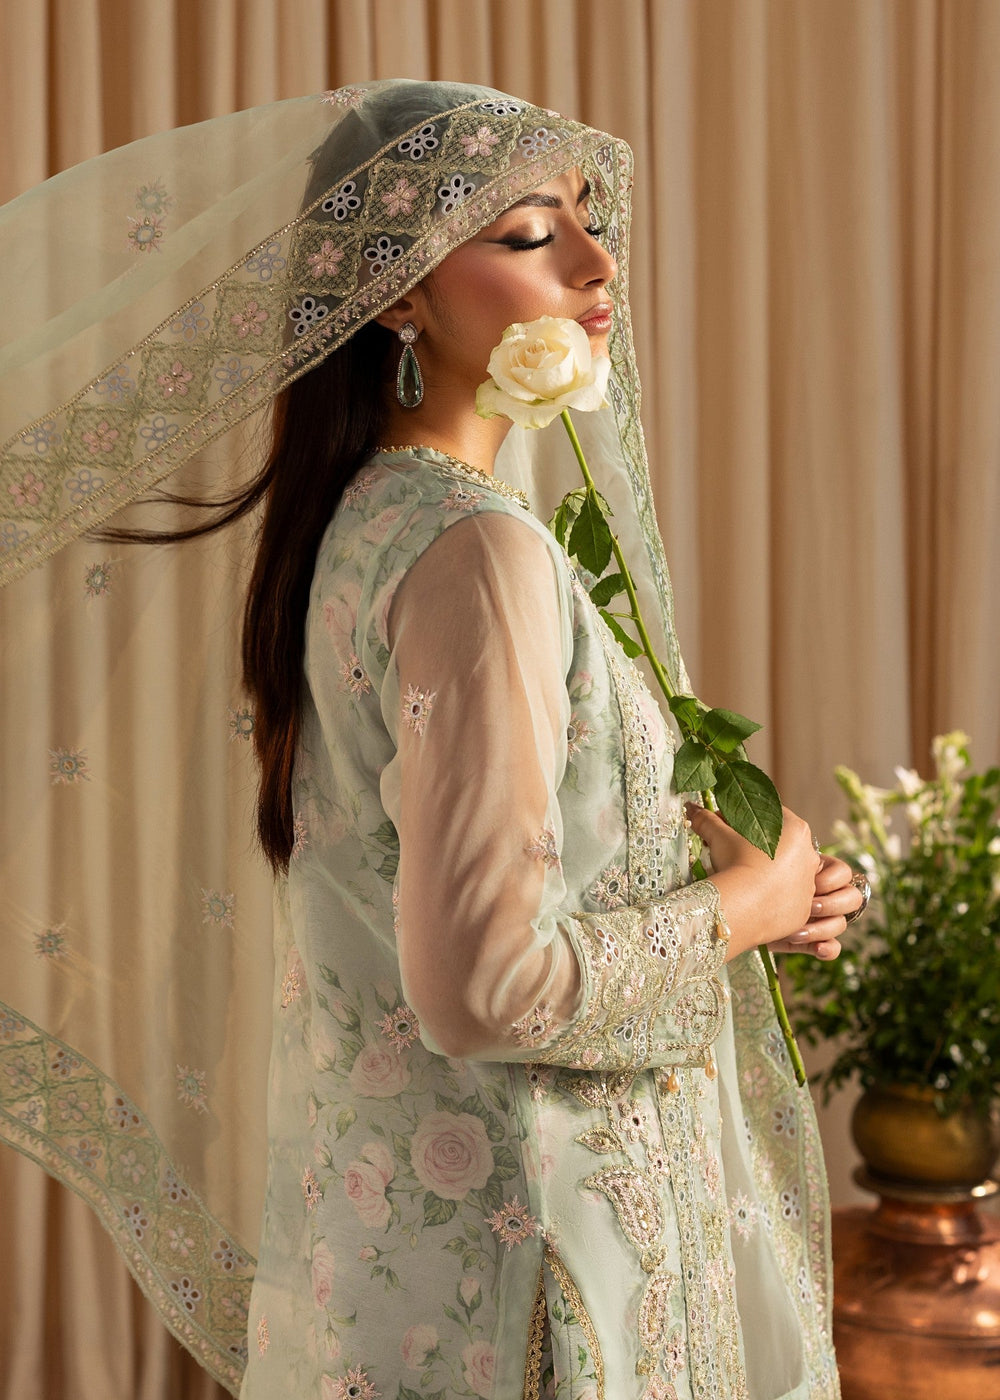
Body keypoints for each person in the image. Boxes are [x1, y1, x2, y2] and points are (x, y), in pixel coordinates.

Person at [0, 81, 860, 1399]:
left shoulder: (374, 521)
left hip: (436, 1273)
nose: (596, 262)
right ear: (397, 292)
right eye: (530, 234)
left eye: (587, 219)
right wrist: (743, 909)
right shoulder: (475, 552)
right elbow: (484, 987)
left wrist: (746, 886)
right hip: (541, 1287)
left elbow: (477, 881)